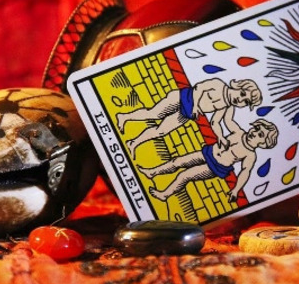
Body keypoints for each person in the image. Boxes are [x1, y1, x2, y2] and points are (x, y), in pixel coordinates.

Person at [138, 111, 278, 202]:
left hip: (215, 167)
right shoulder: (239, 132)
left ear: (263, 144)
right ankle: (152, 172)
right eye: (257, 128)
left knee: (185, 175)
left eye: (260, 135)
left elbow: (245, 172)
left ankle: (165, 194)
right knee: (177, 161)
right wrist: (228, 104)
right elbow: (228, 120)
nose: (255, 133)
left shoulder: (250, 154)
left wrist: (236, 190)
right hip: (208, 153)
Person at [116, 78, 262, 159]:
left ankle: (133, 143)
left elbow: (215, 122)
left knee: (161, 131)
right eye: (242, 94)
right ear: (238, 86)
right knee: (154, 114)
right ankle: (124, 117)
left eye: (245, 102)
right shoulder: (219, 85)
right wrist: (196, 105)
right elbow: (199, 87)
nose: (240, 99)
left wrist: (221, 137)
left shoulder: (226, 107)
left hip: (187, 115)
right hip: (181, 98)